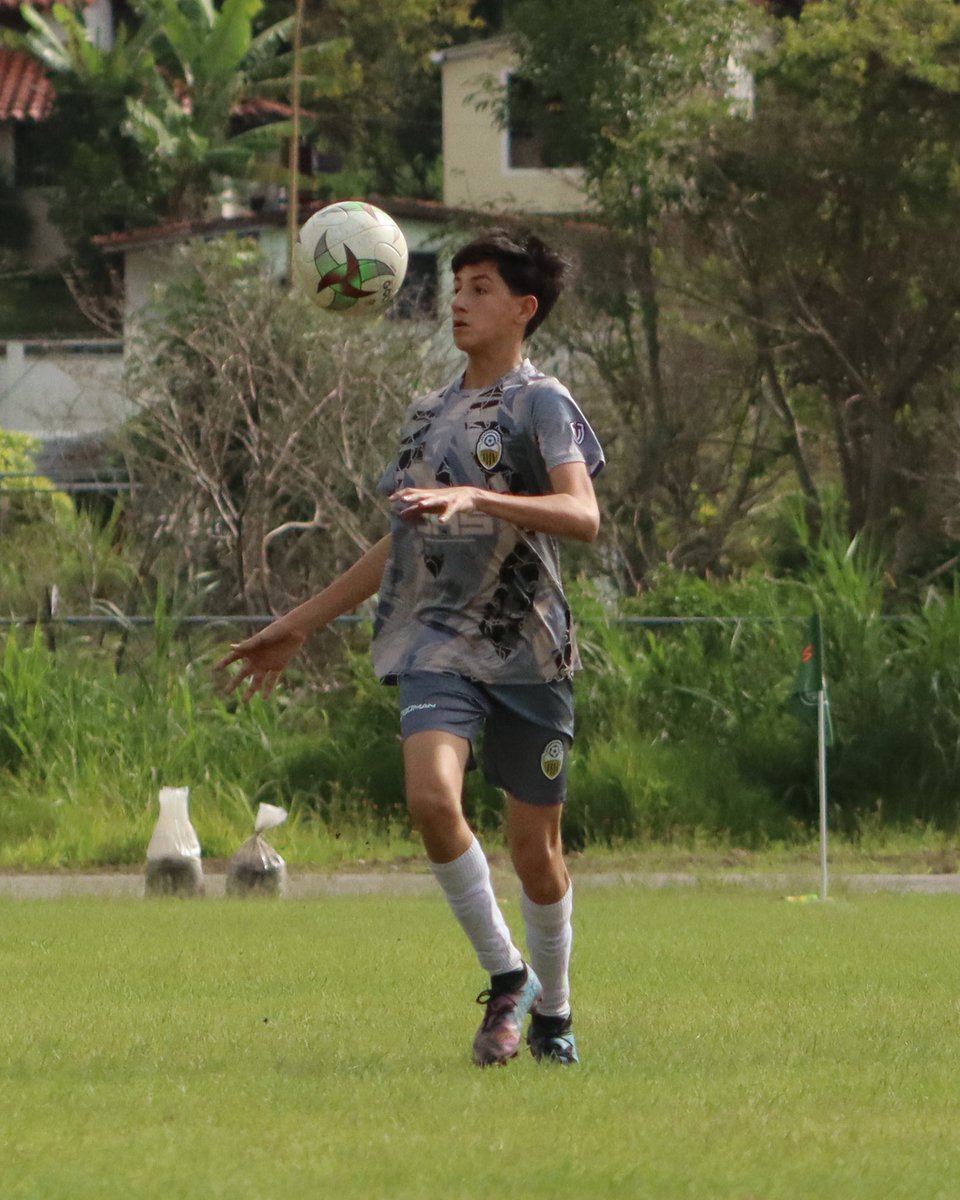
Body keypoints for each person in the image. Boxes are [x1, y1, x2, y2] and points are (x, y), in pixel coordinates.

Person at [216, 229, 604, 1067]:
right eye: (455, 284)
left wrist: (482, 497)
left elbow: (584, 517)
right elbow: (394, 541)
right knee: (431, 799)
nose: (459, 300)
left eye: (481, 287)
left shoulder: (543, 403)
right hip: (435, 643)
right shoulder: (426, 414)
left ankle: (555, 1013)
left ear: (523, 309)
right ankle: (508, 977)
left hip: (529, 653)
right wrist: (301, 621)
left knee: (537, 856)